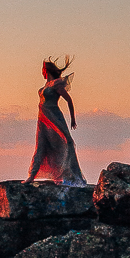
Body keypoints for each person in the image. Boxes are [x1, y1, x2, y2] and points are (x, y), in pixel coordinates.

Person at [25, 56, 87, 186]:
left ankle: (69, 175)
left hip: (54, 117)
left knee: (65, 142)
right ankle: (31, 175)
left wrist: (73, 119)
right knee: (41, 145)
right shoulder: (46, 85)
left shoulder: (56, 84)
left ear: (46, 70)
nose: (41, 72)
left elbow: (69, 100)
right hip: (43, 120)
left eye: (42, 69)